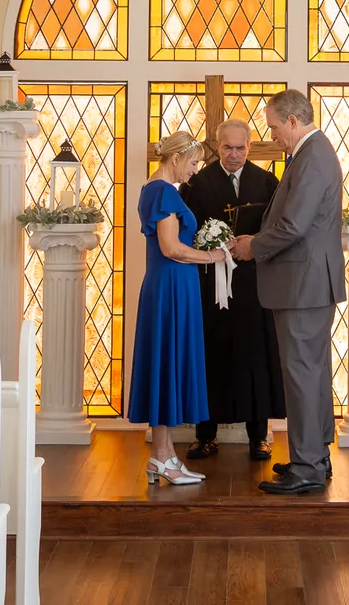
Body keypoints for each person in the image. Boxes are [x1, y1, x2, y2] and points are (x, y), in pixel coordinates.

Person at [230, 89, 345, 495]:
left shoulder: (313, 157)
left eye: (275, 127)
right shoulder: (311, 154)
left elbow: (294, 226)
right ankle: (316, 456)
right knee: (309, 373)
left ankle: (308, 465)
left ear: (294, 121)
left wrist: (252, 246)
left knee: (301, 374)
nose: (273, 135)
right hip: (306, 282)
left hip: (303, 283)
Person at [180, 119, 286, 462]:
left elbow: (277, 228)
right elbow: (186, 229)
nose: (234, 154)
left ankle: (259, 436)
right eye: (227, 148)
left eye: (241, 148)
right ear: (217, 145)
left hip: (254, 282)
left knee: (256, 354)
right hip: (210, 283)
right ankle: (205, 435)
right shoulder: (199, 182)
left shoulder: (267, 182)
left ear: (250, 147)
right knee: (210, 354)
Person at [127, 130, 228, 485]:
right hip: (170, 285)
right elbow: (171, 248)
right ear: (175, 159)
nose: (195, 170)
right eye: (194, 163)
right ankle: (160, 456)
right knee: (167, 364)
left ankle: (165, 456)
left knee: (167, 365)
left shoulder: (156, 190)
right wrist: (213, 256)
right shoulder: (162, 191)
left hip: (173, 286)